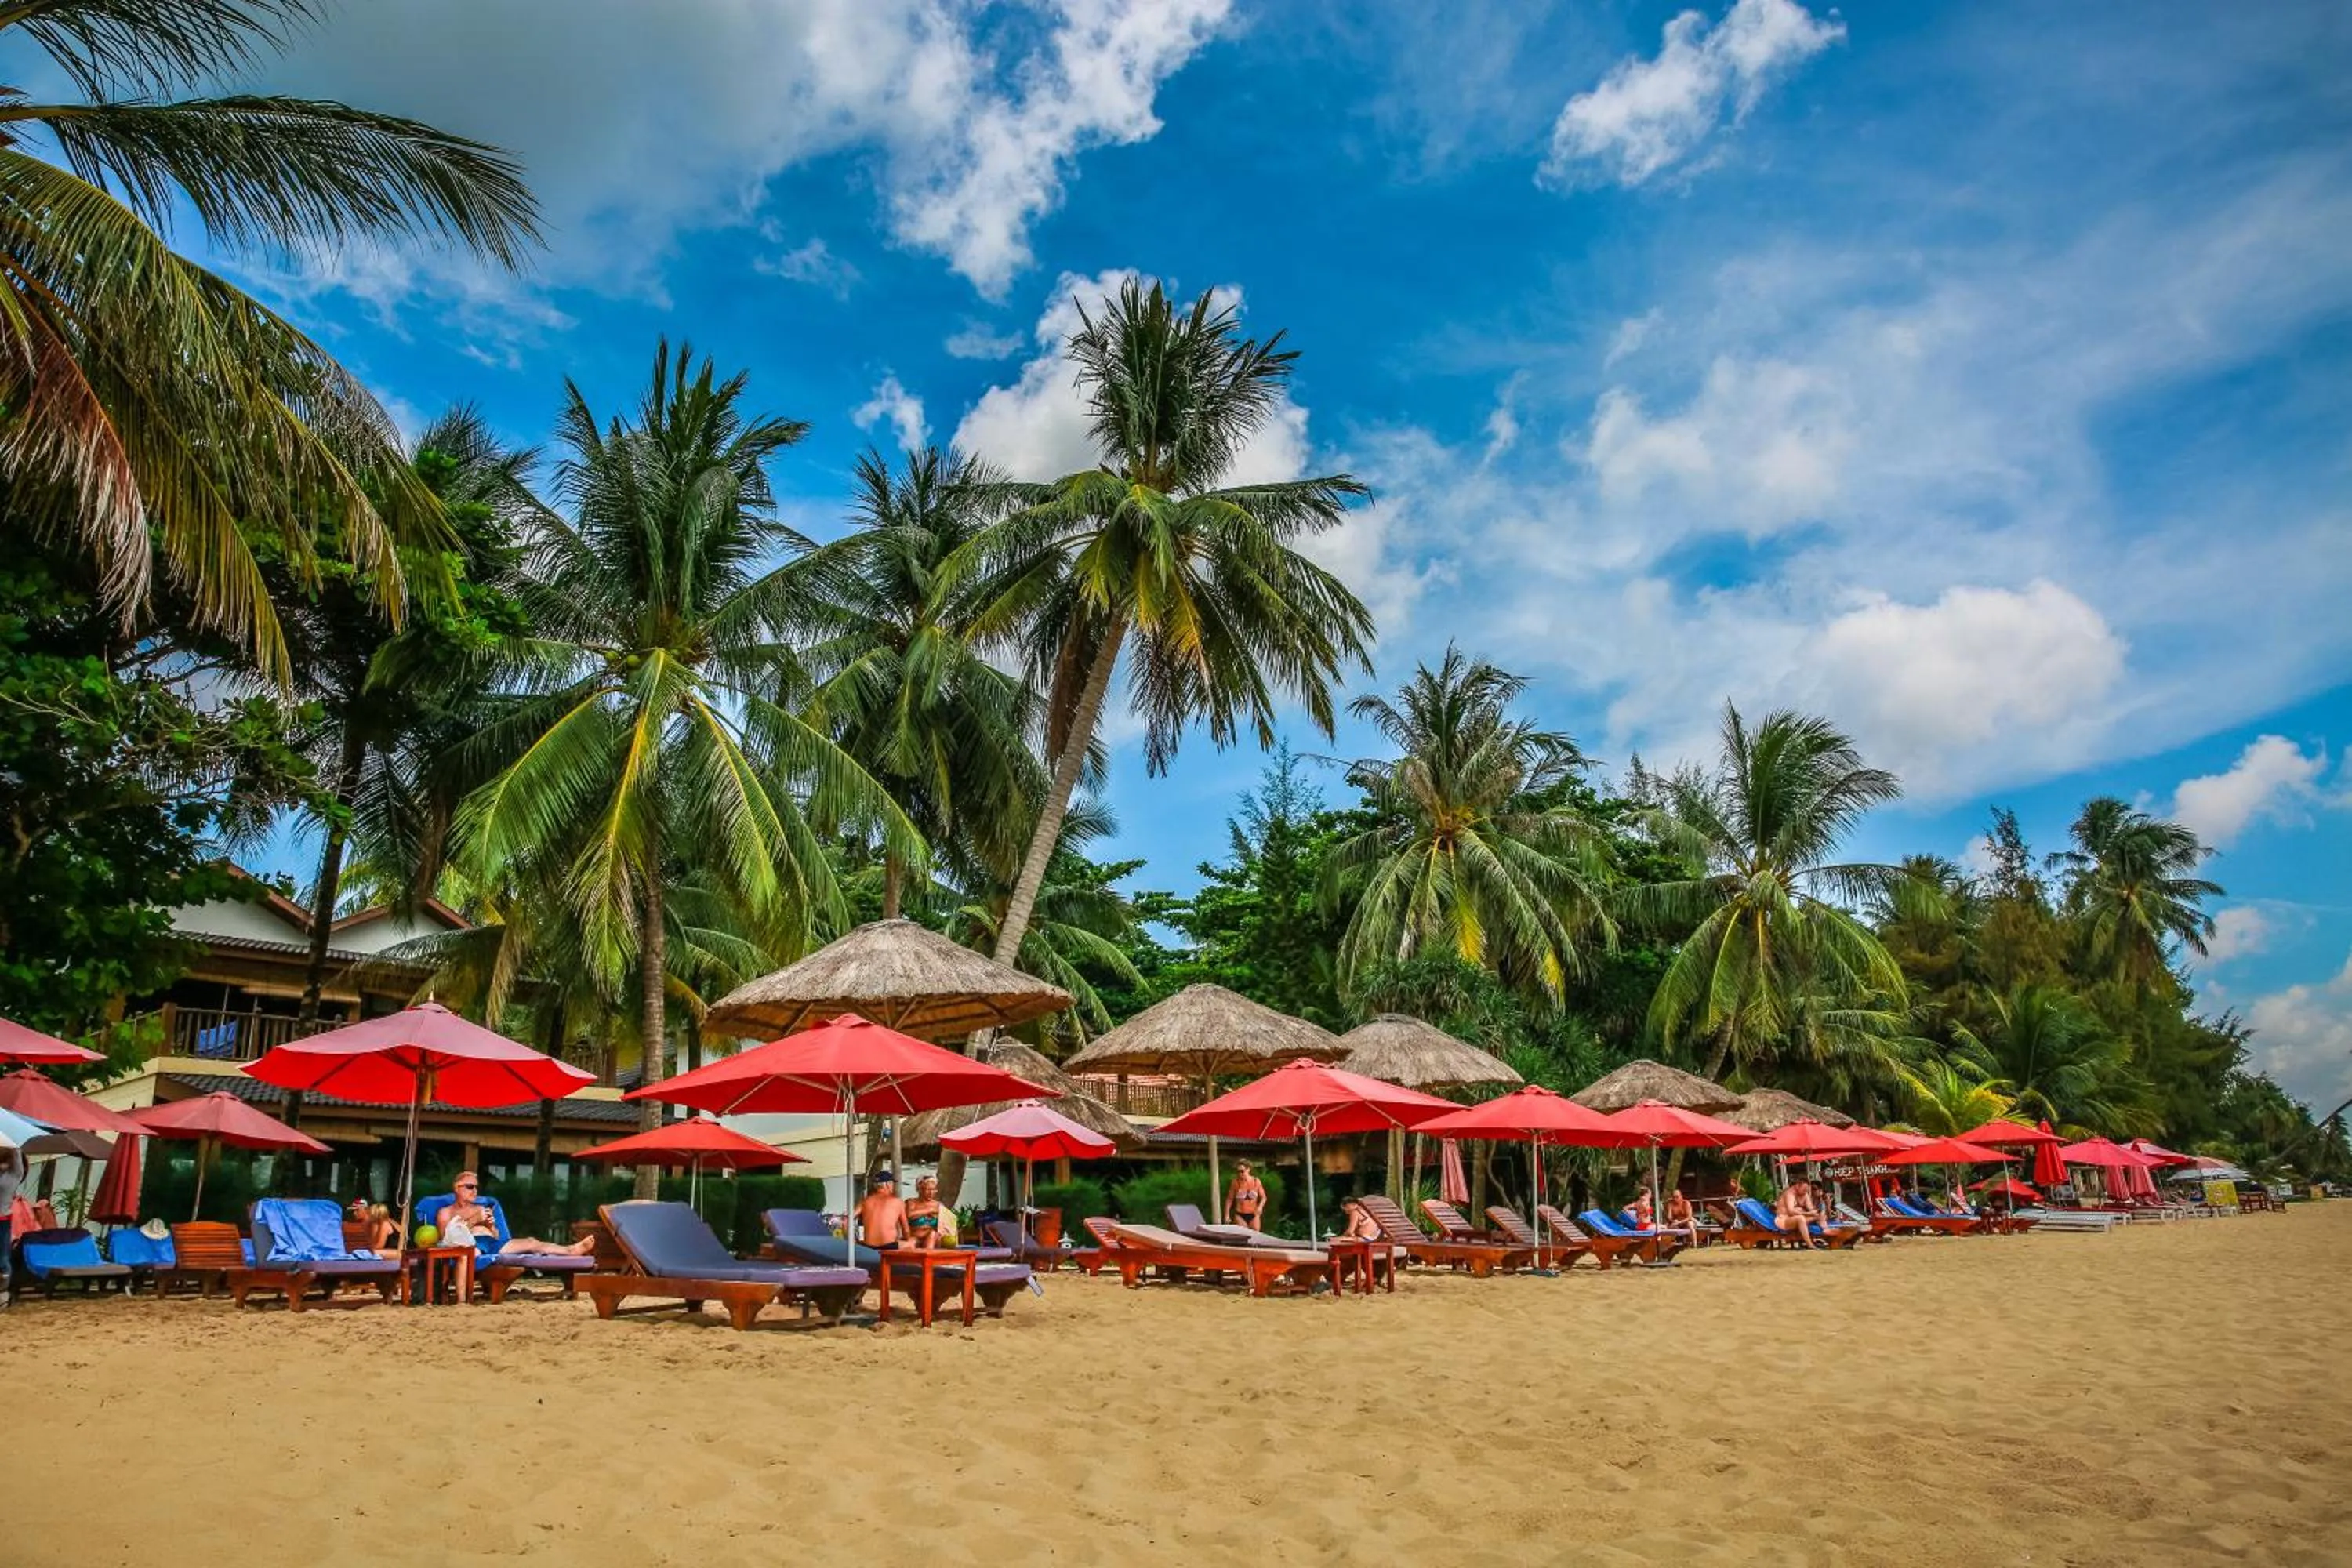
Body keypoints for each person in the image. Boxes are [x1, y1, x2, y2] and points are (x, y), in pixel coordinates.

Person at [434, 1173, 597, 1256]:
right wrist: (474, 1221)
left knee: (531, 1242)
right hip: (472, 1247)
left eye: (476, 1187)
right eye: (470, 1186)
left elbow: (497, 1236)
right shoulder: (446, 1212)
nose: (475, 1191)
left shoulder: (480, 1208)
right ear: (456, 1188)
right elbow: (446, 1239)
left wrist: (490, 1226)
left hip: (493, 1244)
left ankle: (570, 1250)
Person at [856, 1170, 909, 1248]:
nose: (893, 1186)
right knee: (911, 1244)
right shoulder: (898, 1202)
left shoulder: (865, 1202)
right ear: (888, 1184)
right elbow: (906, 1230)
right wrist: (906, 1238)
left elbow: (846, 1220)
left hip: (868, 1247)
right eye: (892, 1183)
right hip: (889, 1246)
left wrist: (856, 1241)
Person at [0, 1134, 22, 1308]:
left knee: (3, 1258)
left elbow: (18, 1162)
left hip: (3, 1220)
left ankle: (3, 1294)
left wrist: (14, 1146)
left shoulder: (13, 1176)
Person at [1775, 1180, 1826, 1250]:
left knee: (1818, 1216)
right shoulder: (1789, 1194)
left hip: (1794, 1220)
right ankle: (1810, 1244)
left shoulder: (1804, 1194)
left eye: (1807, 1190)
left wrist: (1817, 1212)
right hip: (1783, 1221)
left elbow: (1811, 1208)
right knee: (1800, 1218)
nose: (1806, 1192)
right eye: (1804, 1189)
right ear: (1797, 1186)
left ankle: (1826, 1233)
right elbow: (1790, 1211)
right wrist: (1807, 1213)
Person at [903, 1175, 947, 1250]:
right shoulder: (911, 1202)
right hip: (915, 1237)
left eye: (933, 1190)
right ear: (919, 1189)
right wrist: (930, 1210)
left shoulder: (939, 1205)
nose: (931, 1193)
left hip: (933, 1238)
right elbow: (910, 1215)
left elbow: (947, 1225)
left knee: (932, 1235)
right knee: (910, 1242)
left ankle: (927, 1258)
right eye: (928, 1189)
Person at [1225, 1160, 1267, 1231]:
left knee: (1256, 1236)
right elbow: (1230, 1199)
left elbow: (1263, 1197)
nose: (1240, 1174)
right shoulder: (1235, 1182)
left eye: (1242, 1171)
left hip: (1254, 1214)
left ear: (1248, 1169)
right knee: (1244, 1234)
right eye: (1238, 1171)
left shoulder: (1256, 1181)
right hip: (1240, 1214)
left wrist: (1260, 1207)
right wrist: (1227, 1214)